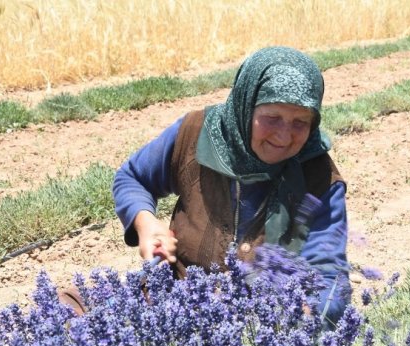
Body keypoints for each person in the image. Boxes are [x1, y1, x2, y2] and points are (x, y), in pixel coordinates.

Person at [112, 46, 351, 324]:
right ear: (246, 105)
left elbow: (330, 279)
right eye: (272, 117)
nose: (284, 136)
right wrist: (146, 223)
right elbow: (133, 177)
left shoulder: (319, 179)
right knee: (69, 311)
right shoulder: (195, 133)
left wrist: (293, 314)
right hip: (176, 301)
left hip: (261, 328)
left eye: (301, 122)